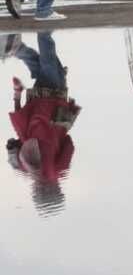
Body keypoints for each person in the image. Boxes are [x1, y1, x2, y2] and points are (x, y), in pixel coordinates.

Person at [7, 32, 80, 213]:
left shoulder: (58, 170)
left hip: (54, 101)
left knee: (47, 56)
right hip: (35, 103)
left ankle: (43, 22)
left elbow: (69, 144)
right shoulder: (27, 169)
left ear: (57, 192)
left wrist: (56, 140)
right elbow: (15, 143)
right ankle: (15, 48)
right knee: (40, 66)